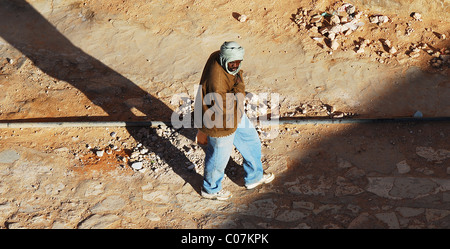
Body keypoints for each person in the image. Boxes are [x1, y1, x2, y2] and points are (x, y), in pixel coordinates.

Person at [195, 41, 274, 200]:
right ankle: (210, 190)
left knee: (251, 141)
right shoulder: (216, 82)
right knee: (218, 158)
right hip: (220, 122)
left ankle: (254, 177)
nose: (235, 65)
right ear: (224, 59)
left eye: (238, 62)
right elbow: (230, 103)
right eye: (232, 63)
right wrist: (239, 86)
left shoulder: (218, 55)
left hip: (233, 113)